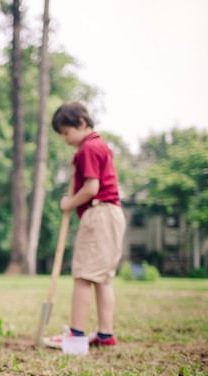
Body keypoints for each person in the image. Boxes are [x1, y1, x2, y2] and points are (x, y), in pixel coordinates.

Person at [43, 102, 126, 348]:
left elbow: (91, 188)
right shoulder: (97, 146)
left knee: (83, 275)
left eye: (67, 133)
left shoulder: (88, 148)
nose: (66, 139)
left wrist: (69, 202)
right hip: (112, 214)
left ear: (81, 123)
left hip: (98, 213)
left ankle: (76, 335)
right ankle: (105, 334)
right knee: (102, 278)